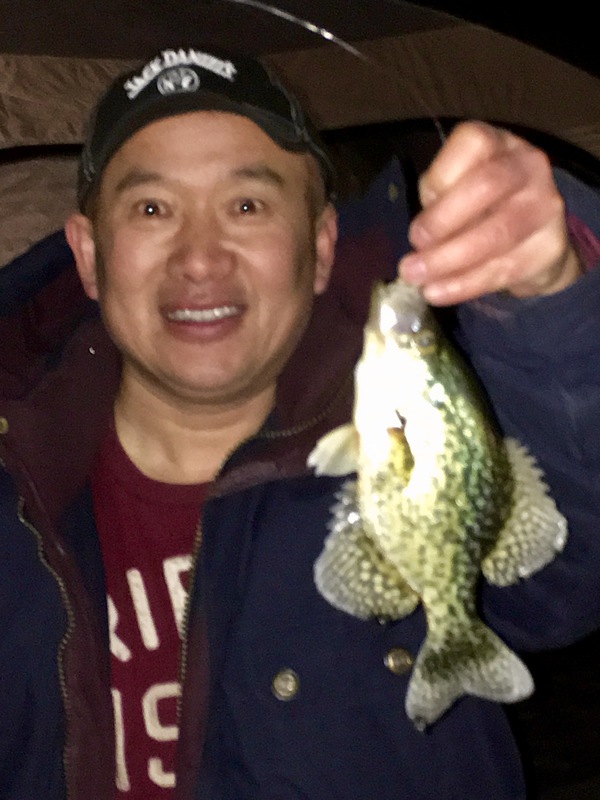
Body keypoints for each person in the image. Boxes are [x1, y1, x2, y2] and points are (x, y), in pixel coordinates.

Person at [0, 45, 599, 800]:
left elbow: (567, 582)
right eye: (152, 209)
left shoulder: (419, 419)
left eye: (247, 206)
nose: (200, 259)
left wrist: (553, 300)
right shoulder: (14, 485)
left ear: (320, 249)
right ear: (90, 256)